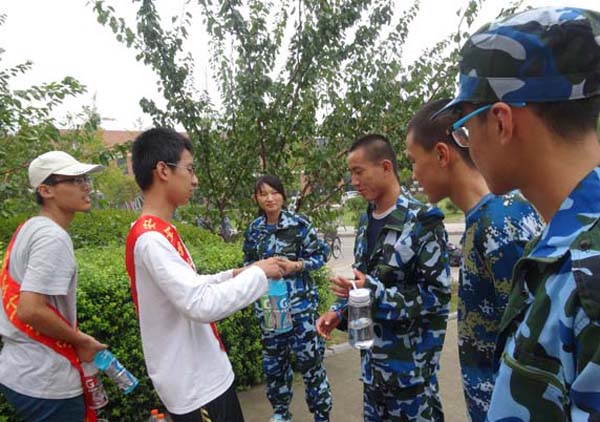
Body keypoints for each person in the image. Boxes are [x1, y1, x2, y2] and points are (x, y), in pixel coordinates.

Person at [435, 6, 600, 420]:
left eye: (465, 128)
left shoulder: (588, 274)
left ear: (501, 122)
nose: (468, 145)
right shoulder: (556, 247)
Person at [125, 128, 287, 422]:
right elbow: (200, 304)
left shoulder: (160, 231)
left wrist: (236, 273)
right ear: (163, 170)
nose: (195, 179)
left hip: (205, 375)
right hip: (195, 385)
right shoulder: (151, 240)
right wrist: (259, 273)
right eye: (189, 169)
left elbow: (193, 286)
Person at [405, 99, 543, 421]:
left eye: (413, 161)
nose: (413, 174)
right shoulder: (481, 220)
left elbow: (532, 347)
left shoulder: (501, 223)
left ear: (442, 154)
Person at [316, 134, 451, 421]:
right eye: (351, 173)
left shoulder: (422, 222)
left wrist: (374, 293)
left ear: (386, 167)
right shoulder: (367, 219)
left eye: (358, 171)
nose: (354, 181)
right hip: (372, 370)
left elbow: (437, 297)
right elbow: (363, 280)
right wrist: (339, 312)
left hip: (411, 374)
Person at [0, 151, 106, 421]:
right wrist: (81, 340)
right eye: (75, 180)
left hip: (21, 369)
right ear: (46, 190)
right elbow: (30, 310)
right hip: (46, 378)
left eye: (85, 179)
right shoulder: (52, 237)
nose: (86, 186)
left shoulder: (31, 227)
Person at [242, 175, 332, 422]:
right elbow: (247, 263)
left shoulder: (299, 224)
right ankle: (281, 413)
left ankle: (321, 414)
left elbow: (320, 256)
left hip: (301, 308)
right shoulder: (254, 230)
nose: (269, 199)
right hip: (271, 307)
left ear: (282, 196)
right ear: (257, 198)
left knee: (311, 364)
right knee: (274, 366)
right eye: (263, 194)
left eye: (274, 193)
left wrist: (296, 265)